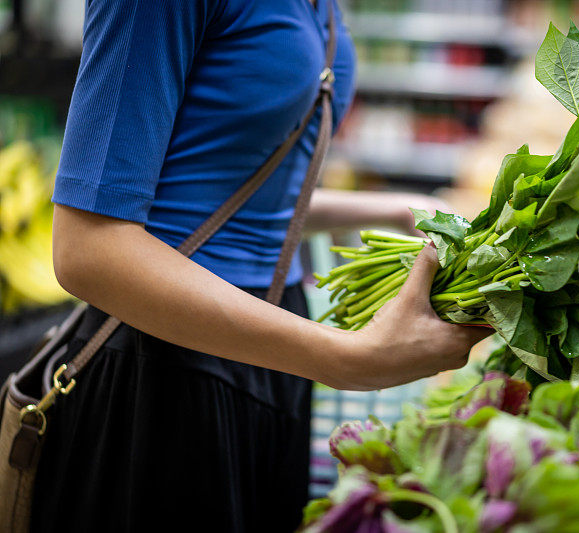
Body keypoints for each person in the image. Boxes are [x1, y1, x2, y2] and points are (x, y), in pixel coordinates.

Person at [32, 1, 490, 532]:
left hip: (273, 350)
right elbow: (87, 250)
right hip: (168, 368)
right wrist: (347, 358)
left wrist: (393, 210)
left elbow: (228, 193)